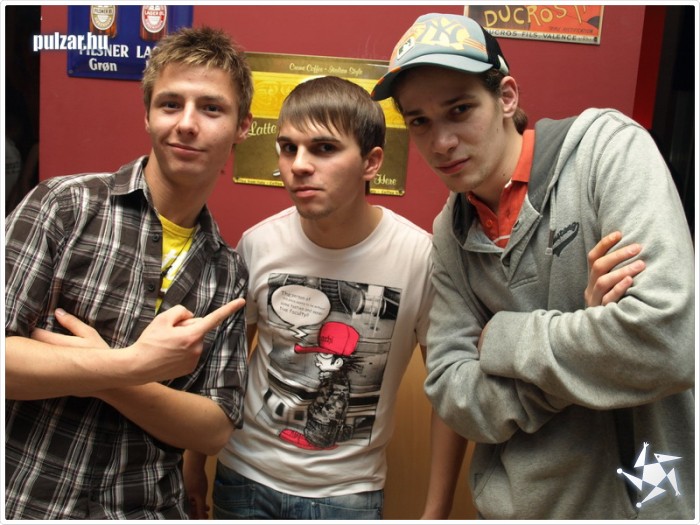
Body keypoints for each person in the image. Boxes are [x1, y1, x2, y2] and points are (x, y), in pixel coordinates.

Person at [370, 12, 695, 520]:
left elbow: (668, 345)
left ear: (506, 97)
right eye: (420, 122)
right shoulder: (449, 233)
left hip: (641, 500)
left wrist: (504, 338)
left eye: (459, 110)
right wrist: (589, 331)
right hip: (512, 508)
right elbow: (455, 397)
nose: (441, 142)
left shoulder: (606, 151)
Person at [183, 75, 468, 520]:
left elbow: (449, 392)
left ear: (371, 162)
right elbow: (223, 367)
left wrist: (437, 512)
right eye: (288, 147)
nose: (298, 165)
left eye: (324, 148)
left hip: (347, 495)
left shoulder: (419, 258)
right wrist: (193, 465)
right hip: (244, 478)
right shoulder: (259, 244)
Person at [4, 26, 253, 519]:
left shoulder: (227, 271)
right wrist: (133, 365)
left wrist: (105, 371)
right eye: (170, 104)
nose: (187, 124)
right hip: (27, 501)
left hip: (142, 507)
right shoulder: (64, 206)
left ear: (242, 126)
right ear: (147, 114)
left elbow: (213, 428)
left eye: (211, 108)